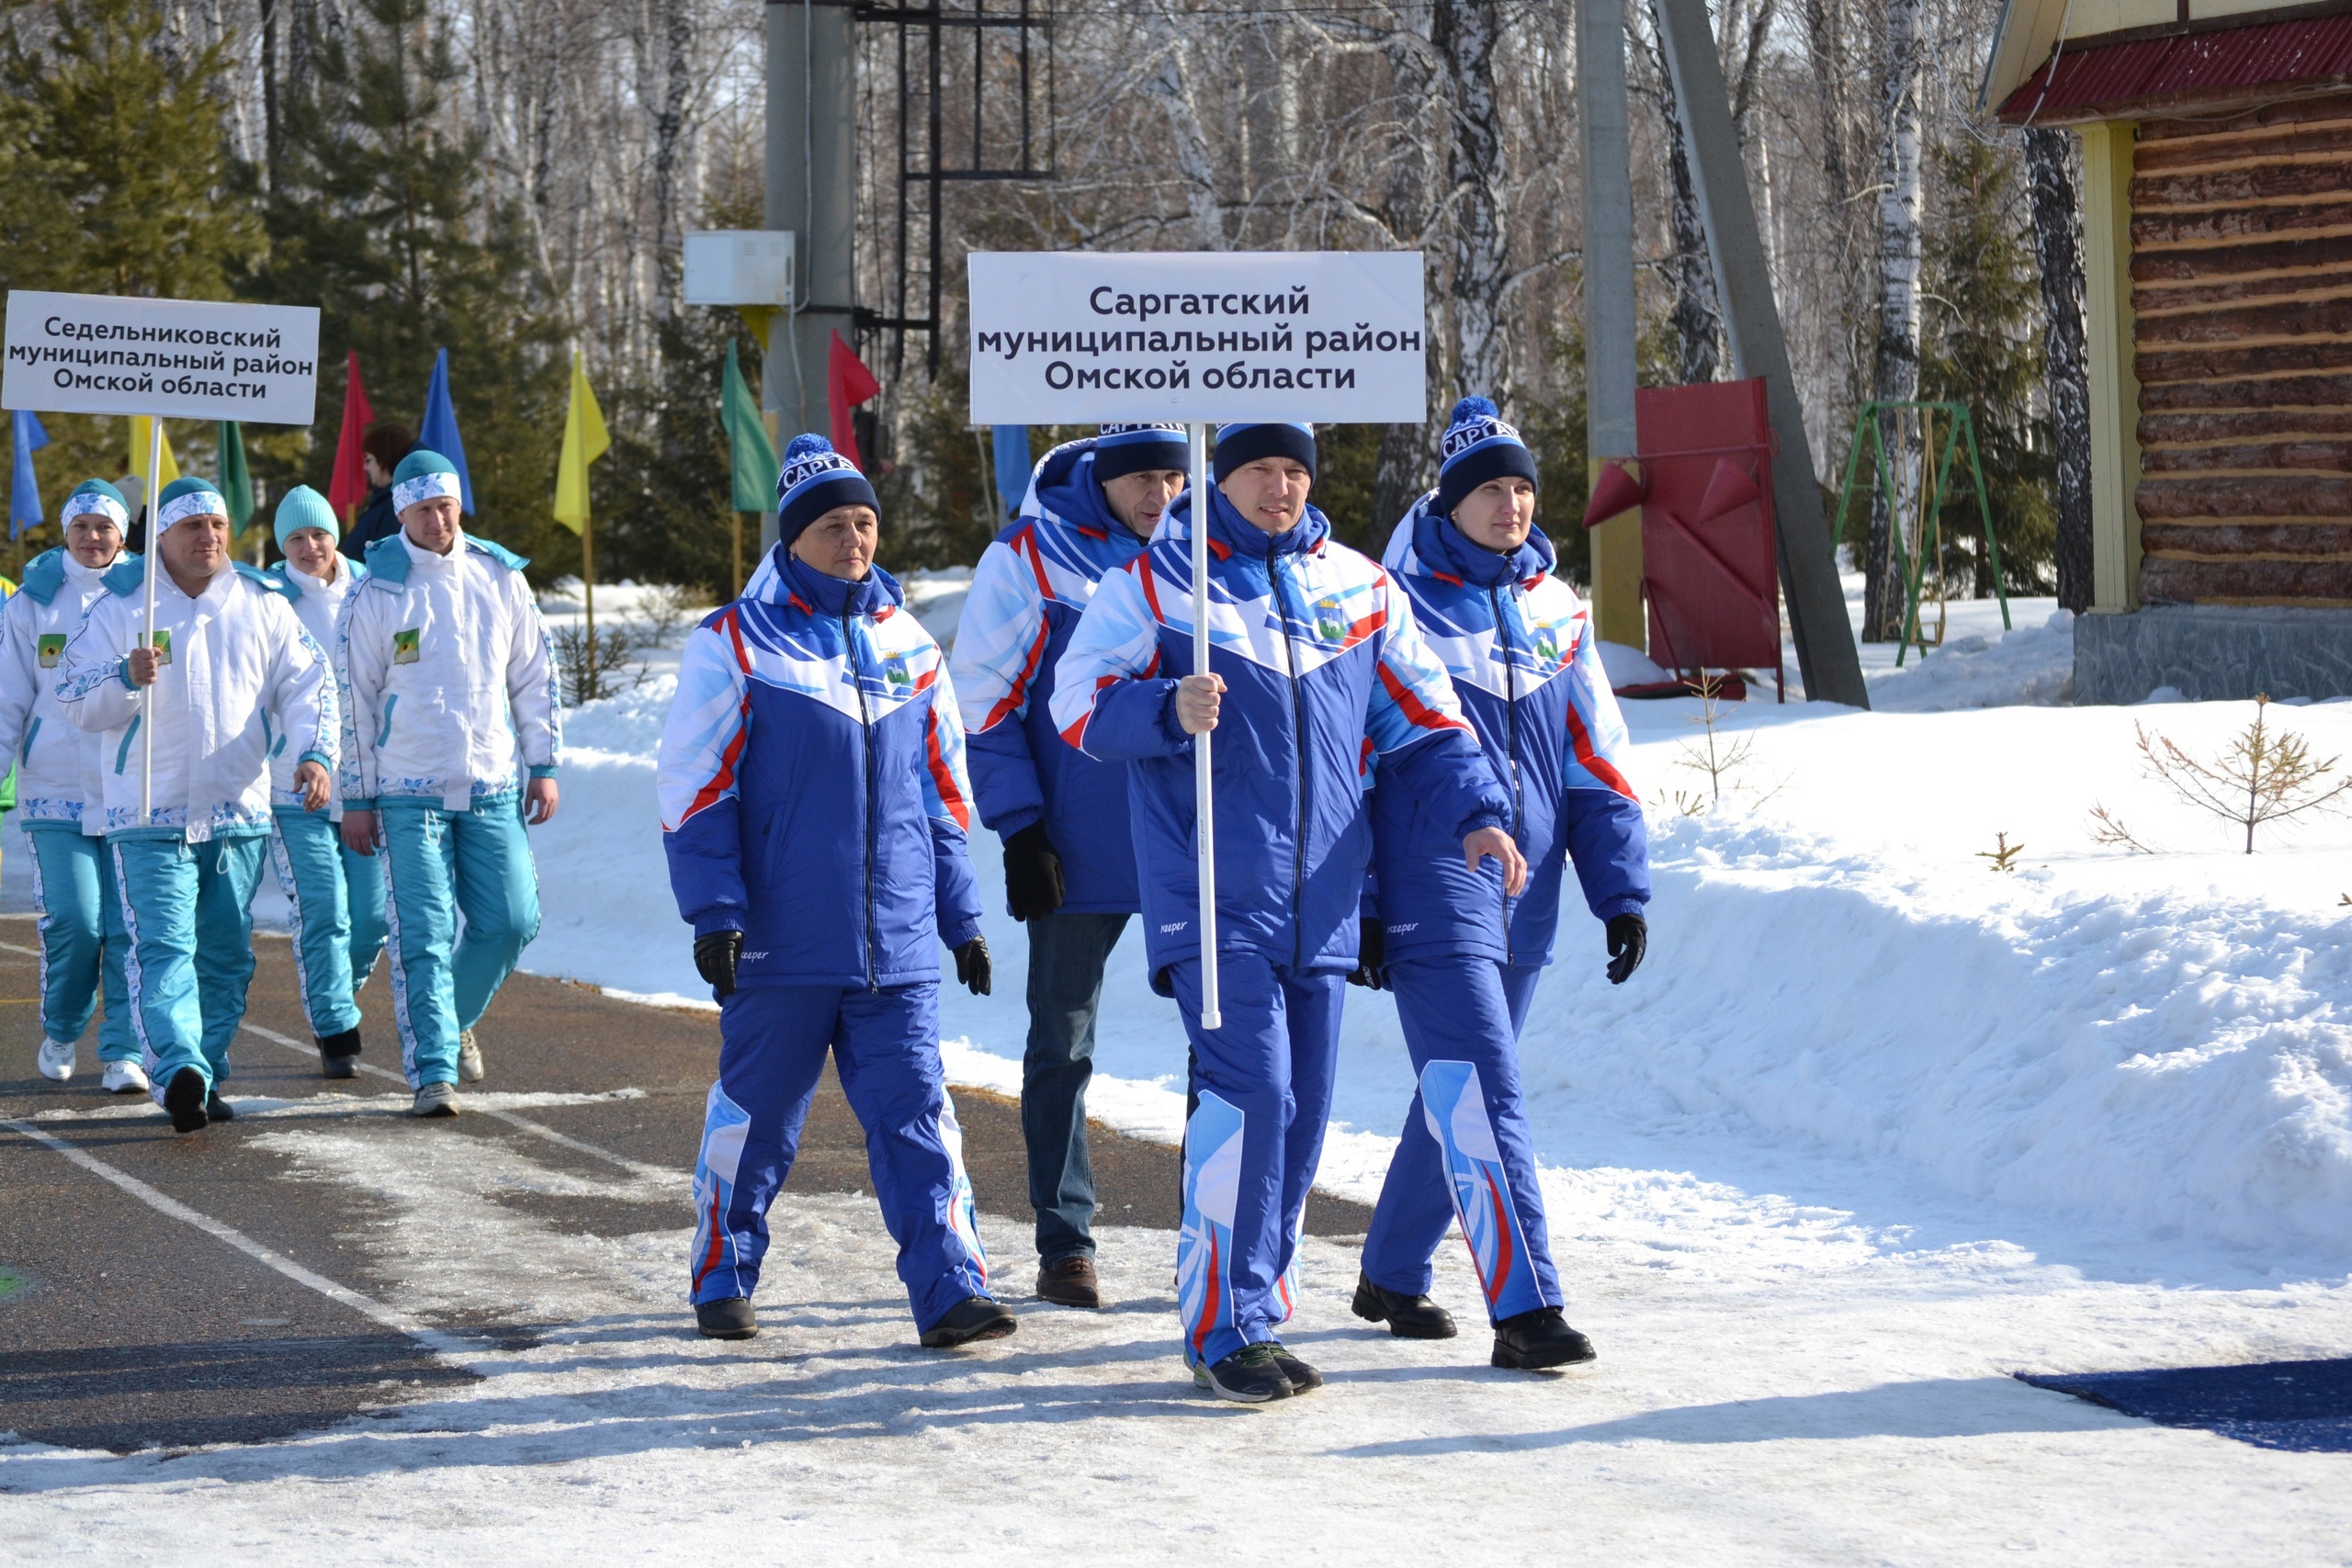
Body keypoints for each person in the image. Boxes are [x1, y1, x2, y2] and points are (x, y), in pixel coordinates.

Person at [1050, 421, 1523, 1403]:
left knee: (1301, 1114)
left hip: (1320, 901)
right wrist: (1161, 709)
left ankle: (1254, 1307)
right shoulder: (1155, 584)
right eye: (1262, 469)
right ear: (1221, 479)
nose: (1281, 486)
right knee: (1250, 1094)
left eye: (1296, 469)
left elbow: (1427, 721)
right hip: (1210, 893)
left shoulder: (1358, 588)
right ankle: (1223, 1327)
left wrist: (1477, 815)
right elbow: (1074, 704)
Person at [659, 434, 1012, 1350]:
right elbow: (696, 790)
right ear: (793, 538)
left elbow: (940, 795)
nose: (853, 539)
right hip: (783, 940)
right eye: (831, 526)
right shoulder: (735, 642)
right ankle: (723, 1273)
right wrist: (716, 914)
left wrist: (960, 916)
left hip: (893, 945)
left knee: (919, 1121)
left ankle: (951, 1290)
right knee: (759, 1122)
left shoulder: (909, 644)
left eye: (864, 522)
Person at [1351, 397, 1650, 1371]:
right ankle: (1526, 1308)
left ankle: (1391, 1271)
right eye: (1490, 490)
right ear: (1450, 503)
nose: (1511, 505)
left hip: (1534, 878)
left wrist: (1620, 888)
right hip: (1433, 866)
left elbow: (1596, 759)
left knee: (1458, 1080)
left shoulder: (1555, 607)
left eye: (1523, 487)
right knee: (1484, 1083)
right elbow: (1355, 758)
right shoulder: (1394, 603)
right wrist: (1360, 900)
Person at [951, 423, 1189, 1310]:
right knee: (1063, 1041)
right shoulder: (1030, 555)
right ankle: (1065, 1240)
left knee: (1221, 1041)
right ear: (1103, 477)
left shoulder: (1203, 557)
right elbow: (985, 700)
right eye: (1143, 479)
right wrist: (1020, 827)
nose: (1160, 496)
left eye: (1174, 477)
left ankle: (1210, 1231)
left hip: (1183, 841)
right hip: (1078, 843)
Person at [55, 477, 336, 1134]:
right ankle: (178, 1066)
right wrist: (123, 677)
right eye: (192, 527)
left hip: (234, 812)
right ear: (163, 538)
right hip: (147, 811)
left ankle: (203, 1066)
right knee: (162, 946)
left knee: (226, 955)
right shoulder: (123, 604)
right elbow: (73, 694)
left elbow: (308, 684)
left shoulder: (261, 605)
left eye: (217, 524)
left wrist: (314, 753)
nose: (208, 536)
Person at [337, 448, 560, 1115]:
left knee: (513, 919)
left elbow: (533, 674)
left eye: (447, 506)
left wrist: (542, 763)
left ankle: (452, 1016)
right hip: (408, 792)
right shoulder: (377, 587)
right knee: (424, 934)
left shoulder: (497, 574)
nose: (438, 520)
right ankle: (432, 1069)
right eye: (425, 508)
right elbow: (354, 701)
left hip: (490, 784)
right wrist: (358, 795)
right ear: (401, 510)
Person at [0, 481, 140, 1091]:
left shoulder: (146, 594)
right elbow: (8, 697)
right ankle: (61, 1026)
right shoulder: (33, 602)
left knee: (130, 925)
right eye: (80, 526)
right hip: (54, 786)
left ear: (123, 535)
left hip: (133, 785)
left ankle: (124, 1051)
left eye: (104, 526)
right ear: (64, 533)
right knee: (77, 921)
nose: (92, 537)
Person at [264, 485, 388, 1078]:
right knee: (324, 908)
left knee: (371, 918)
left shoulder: (371, 586)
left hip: (363, 784)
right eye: (296, 538)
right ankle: (336, 1027)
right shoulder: (266, 597)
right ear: (281, 545)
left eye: (318, 534)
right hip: (293, 784)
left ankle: (334, 987)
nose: (310, 547)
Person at [338, 423, 414, 561]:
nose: (364, 467)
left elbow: (387, 562)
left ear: (385, 459)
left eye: (368, 460)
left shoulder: (396, 506)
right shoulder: (383, 501)